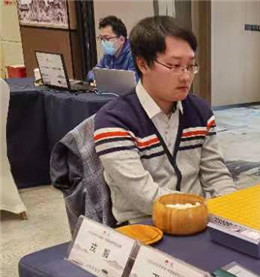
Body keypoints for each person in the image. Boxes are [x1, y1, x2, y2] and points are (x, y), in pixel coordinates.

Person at [94, 16, 236, 224]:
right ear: (143, 64)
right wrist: (199, 212)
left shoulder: (200, 111)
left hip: (199, 220)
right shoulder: (114, 120)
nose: (186, 77)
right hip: (144, 226)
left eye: (190, 66)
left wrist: (232, 213)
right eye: (175, 65)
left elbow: (216, 175)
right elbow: (144, 196)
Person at [87, 16, 136, 82]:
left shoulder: (134, 55)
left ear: (121, 39)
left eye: (107, 38)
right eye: (101, 38)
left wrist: (104, 79)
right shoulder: (108, 55)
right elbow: (92, 73)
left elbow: (133, 82)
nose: (103, 42)